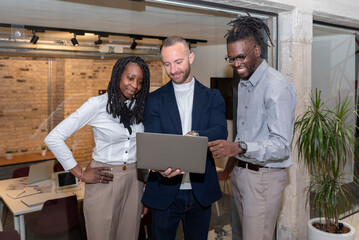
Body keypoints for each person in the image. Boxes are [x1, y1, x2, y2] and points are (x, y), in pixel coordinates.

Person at [208, 15, 297, 240]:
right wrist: (232, 163)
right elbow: (246, 132)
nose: (236, 64)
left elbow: (281, 146)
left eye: (241, 57)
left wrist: (238, 147)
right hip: (242, 173)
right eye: (231, 58)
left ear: (257, 51)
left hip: (264, 179)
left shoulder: (276, 86)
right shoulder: (245, 83)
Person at [45, 56, 150, 240]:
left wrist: (145, 189)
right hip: (104, 179)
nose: (135, 85)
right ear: (118, 75)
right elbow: (53, 138)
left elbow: (144, 149)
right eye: (130, 78)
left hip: (135, 181)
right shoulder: (97, 104)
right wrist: (80, 174)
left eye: (140, 81)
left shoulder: (139, 107)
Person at [141, 36, 228, 240]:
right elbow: (153, 141)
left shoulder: (212, 97)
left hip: (201, 192)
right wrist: (159, 166)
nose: (173, 70)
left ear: (191, 57)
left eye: (178, 62)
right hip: (164, 192)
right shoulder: (154, 100)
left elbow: (220, 131)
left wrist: (196, 136)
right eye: (167, 64)